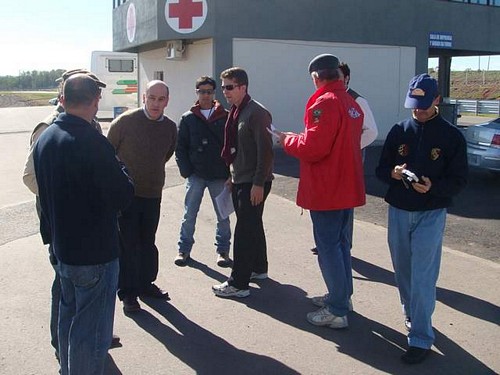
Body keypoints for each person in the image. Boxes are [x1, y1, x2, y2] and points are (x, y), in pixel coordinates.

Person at [33, 74, 134, 375]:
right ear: (95, 101)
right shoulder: (93, 143)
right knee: (91, 336)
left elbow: (44, 197)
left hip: (63, 250)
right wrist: (122, 168)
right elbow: (122, 195)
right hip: (95, 255)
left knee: (69, 321)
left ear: (62, 100)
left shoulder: (46, 138)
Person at [376, 73, 468, 364]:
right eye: (414, 104)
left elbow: (459, 180)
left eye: (424, 104)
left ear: (437, 100)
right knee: (403, 272)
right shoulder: (399, 130)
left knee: (424, 276)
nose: (418, 109)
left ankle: (420, 338)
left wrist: (433, 187)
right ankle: (413, 314)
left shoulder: (451, 136)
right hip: (399, 211)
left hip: (431, 212)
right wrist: (393, 173)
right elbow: (380, 170)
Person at [277, 54, 365, 329]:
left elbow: (314, 148)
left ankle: (337, 309)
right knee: (340, 247)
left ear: (316, 77)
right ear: (339, 75)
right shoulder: (352, 104)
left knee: (328, 248)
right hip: (346, 187)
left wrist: (287, 140)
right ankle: (342, 297)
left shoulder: (324, 103)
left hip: (328, 189)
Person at [107, 80, 177, 312]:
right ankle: (128, 292)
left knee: (148, 241)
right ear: (144, 97)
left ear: (167, 100)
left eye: (161, 99)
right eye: (152, 98)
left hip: (152, 193)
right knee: (128, 244)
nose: (156, 103)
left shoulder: (169, 127)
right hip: (127, 195)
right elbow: (108, 153)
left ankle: (146, 284)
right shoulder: (125, 123)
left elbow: (166, 154)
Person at [212, 67, 274, 298]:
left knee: (245, 230)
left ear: (242, 87)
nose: (224, 92)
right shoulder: (238, 111)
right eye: (224, 87)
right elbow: (239, 150)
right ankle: (259, 268)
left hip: (254, 182)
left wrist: (258, 183)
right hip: (241, 179)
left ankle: (238, 283)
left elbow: (265, 152)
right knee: (252, 225)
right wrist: (232, 176)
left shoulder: (256, 113)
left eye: (229, 87)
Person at [174, 76, 232, 267]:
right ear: (196, 93)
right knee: (189, 215)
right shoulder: (188, 118)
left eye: (209, 91)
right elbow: (180, 147)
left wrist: (231, 172)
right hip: (196, 175)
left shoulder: (226, 116)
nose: (205, 95)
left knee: (223, 216)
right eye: (202, 91)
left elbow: (234, 145)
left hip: (219, 175)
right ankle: (184, 250)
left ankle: (223, 251)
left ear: (214, 93)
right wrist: (186, 172)